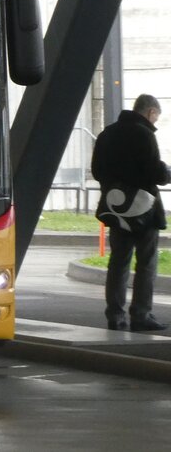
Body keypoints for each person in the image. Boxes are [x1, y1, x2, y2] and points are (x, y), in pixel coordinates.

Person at [91, 94, 171, 332]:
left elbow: (96, 171)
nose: (156, 121)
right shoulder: (144, 134)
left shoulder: (107, 134)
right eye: (156, 116)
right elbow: (154, 172)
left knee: (118, 262)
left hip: (117, 210)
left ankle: (115, 316)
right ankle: (141, 315)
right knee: (146, 262)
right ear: (150, 112)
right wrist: (166, 172)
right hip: (143, 209)